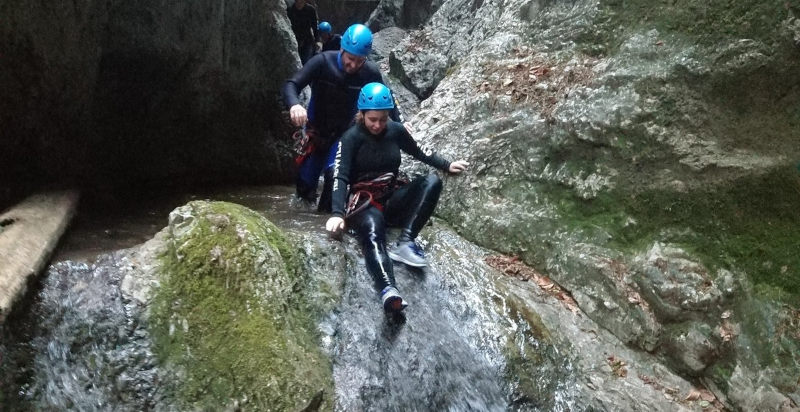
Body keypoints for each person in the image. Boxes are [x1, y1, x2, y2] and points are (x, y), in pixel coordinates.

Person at [325, 83, 469, 313]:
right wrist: (336, 214)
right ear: (362, 114)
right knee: (374, 231)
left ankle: (406, 242)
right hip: (364, 203)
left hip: (390, 198)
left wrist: (446, 164)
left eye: (383, 118)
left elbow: (419, 151)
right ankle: (388, 290)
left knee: (431, 181)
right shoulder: (351, 138)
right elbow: (339, 176)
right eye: (373, 119)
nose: (378, 124)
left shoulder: (395, 130)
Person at [283, 24, 403, 213]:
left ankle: (324, 223)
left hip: (343, 135)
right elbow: (292, 84)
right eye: (350, 58)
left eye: (360, 60)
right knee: (304, 186)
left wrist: (400, 125)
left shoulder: (369, 73)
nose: (354, 65)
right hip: (316, 132)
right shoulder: (322, 62)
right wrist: (295, 105)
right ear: (342, 49)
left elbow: (386, 100)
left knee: (333, 176)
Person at [287, 0, 319, 64]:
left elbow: (314, 27)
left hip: (307, 41)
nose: (299, 4)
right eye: (297, 1)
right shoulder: (290, 10)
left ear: (305, 1)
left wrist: (317, 41)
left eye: (301, 2)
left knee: (306, 63)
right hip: (294, 41)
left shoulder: (310, 10)